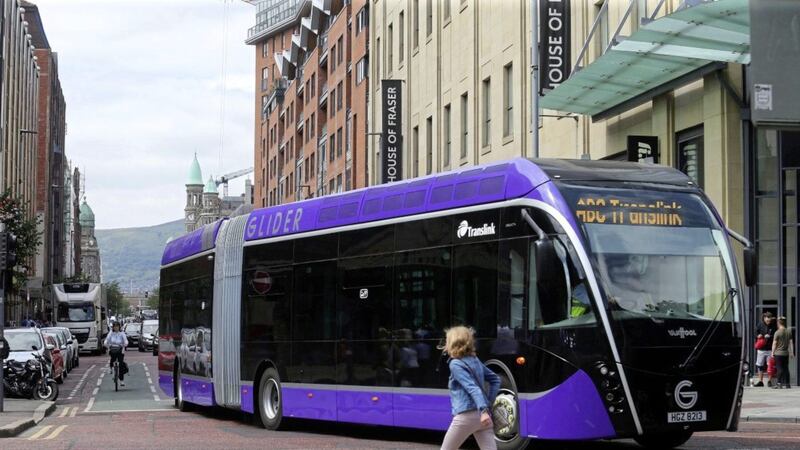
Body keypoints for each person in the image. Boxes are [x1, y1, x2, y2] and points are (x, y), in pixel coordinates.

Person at [440, 326, 501, 450]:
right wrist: (488, 405)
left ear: (452, 342)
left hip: (467, 416)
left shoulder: (455, 364)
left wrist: (484, 410)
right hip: (483, 419)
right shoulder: (474, 359)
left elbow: (472, 388)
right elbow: (495, 379)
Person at [755, 312, 777, 387]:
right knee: (760, 365)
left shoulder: (773, 325)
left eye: (770, 320)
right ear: (764, 318)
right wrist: (758, 335)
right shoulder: (760, 324)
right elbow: (755, 333)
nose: (768, 322)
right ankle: (760, 381)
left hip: (770, 349)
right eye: (767, 320)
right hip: (761, 349)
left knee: (770, 365)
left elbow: (776, 336)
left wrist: (770, 336)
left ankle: (769, 381)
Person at [772, 316, 795, 389]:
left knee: (779, 368)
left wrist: (772, 352)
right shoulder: (788, 332)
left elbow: (774, 343)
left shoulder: (777, 332)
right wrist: (792, 352)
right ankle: (787, 384)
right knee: (786, 368)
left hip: (778, 353)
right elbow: (791, 343)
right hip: (786, 353)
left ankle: (779, 384)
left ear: (778, 323)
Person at [104, 322, 129, 386]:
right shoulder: (111, 333)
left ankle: (121, 380)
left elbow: (125, 340)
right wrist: (106, 343)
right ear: (113, 327)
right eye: (114, 326)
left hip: (120, 349)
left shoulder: (122, 333)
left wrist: (125, 343)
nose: (116, 328)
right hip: (112, 349)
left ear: (119, 327)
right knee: (112, 358)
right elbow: (107, 339)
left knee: (121, 364)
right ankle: (111, 368)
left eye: (117, 326)